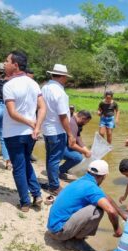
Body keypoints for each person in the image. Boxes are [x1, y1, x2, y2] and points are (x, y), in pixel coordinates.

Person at [3, 51, 46, 212]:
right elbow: (42, 107)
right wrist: (36, 126)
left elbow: (12, 113)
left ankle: (25, 202)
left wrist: (31, 123)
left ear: (15, 65)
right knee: (25, 163)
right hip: (30, 134)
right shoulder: (33, 83)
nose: (4, 64)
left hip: (14, 133)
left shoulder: (9, 85)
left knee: (19, 167)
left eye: (7, 61)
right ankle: (36, 193)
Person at [47, 160, 124, 241]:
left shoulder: (82, 181)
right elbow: (111, 211)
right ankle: (78, 238)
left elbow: (105, 196)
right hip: (59, 232)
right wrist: (117, 229)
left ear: (88, 171)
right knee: (98, 209)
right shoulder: (92, 188)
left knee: (97, 202)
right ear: (104, 176)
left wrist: (122, 214)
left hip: (52, 226)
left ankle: (75, 233)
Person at [42, 64, 76, 195]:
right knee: (54, 159)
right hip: (57, 130)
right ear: (62, 77)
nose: (66, 79)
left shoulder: (44, 88)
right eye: (65, 77)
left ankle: (52, 183)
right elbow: (63, 116)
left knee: (50, 157)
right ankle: (54, 186)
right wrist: (70, 134)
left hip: (47, 129)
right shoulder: (60, 93)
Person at [59, 110, 92, 181]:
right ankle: (60, 171)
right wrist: (85, 152)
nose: (86, 124)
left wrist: (85, 149)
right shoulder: (73, 124)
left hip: (62, 145)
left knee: (79, 151)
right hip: (58, 148)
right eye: (87, 122)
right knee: (78, 157)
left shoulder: (75, 122)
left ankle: (62, 169)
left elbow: (78, 137)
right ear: (83, 118)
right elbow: (72, 145)